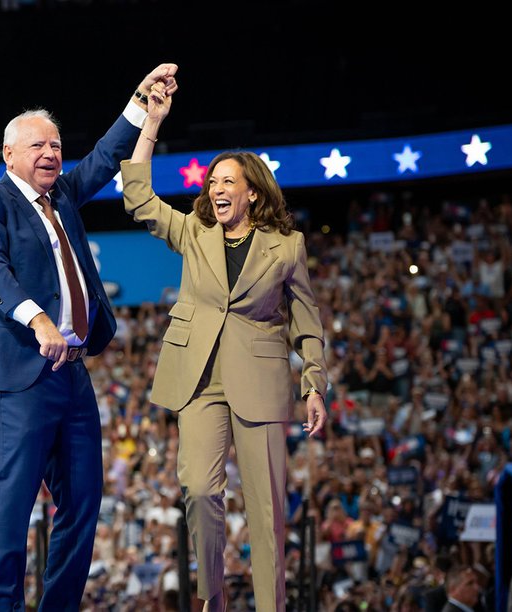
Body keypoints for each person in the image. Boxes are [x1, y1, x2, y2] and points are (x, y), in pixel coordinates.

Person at [0, 63, 178, 611]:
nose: (50, 153)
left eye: (55, 145)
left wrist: (141, 102)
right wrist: (36, 318)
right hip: (19, 373)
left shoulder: (64, 199)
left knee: (82, 501)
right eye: (37, 146)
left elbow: (105, 157)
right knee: (14, 499)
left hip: (71, 374)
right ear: (9, 155)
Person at [120, 82, 327, 611]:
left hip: (258, 382)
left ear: (252, 191)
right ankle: (214, 602)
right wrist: (151, 124)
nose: (216, 187)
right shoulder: (194, 232)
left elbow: (306, 320)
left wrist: (315, 385)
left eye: (227, 181)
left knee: (266, 511)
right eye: (212, 180)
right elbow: (139, 198)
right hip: (198, 381)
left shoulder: (286, 247)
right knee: (201, 493)